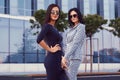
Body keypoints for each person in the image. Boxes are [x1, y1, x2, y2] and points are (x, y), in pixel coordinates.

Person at [37, 4, 67, 80]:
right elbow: (39, 40)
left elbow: (59, 45)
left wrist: (62, 59)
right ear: (49, 13)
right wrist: (50, 49)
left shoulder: (54, 28)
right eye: (53, 12)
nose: (55, 14)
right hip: (53, 62)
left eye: (57, 12)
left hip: (58, 62)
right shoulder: (47, 26)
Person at [61, 8, 86, 80]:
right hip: (67, 57)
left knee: (70, 78)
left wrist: (65, 57)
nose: (72, 17)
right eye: (71, 16)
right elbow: (67, 44)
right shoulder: (70, 29)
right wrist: (64, 57)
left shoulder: (81, 27)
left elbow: (75, 43)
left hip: (75, 57)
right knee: (70, 78)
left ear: (78, 15)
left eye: (74, 15)